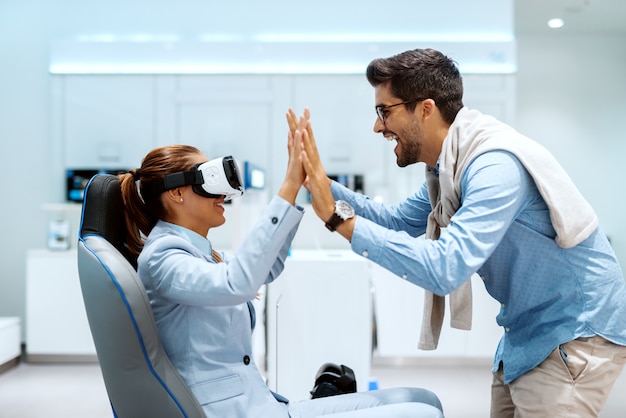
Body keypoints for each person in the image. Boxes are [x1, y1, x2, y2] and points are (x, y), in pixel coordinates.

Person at [292, 48, 626, 418]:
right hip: (527, 332)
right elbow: (397, 221)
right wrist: (321, 183)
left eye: (384, 112)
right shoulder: (448, 167)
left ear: (426, 108)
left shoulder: (493, 166)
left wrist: (340, 220)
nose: (377, 126)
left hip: (573, 333)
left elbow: (444, 268)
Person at [117, 140, 444, 417]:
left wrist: (302, 190)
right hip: (229, 411)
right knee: (423, 413)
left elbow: (265, 269)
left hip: (259, 403)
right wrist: (286, 189)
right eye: (209, 180)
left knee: (426, 399)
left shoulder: (199, 252)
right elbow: (237, 283)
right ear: (176, 194)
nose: (223, 194)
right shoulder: (163, 256)